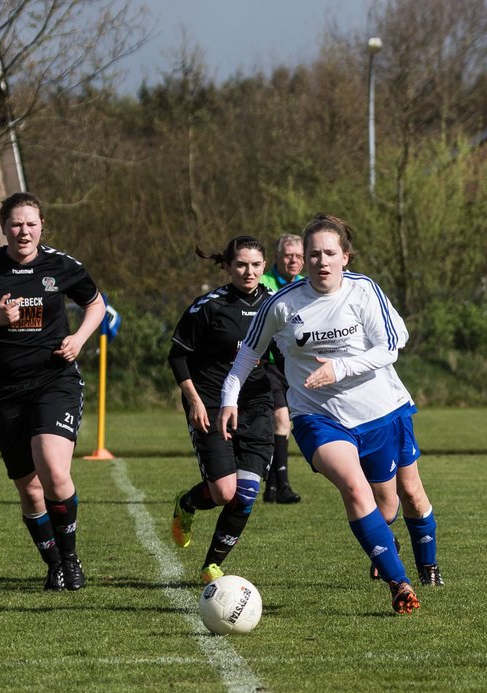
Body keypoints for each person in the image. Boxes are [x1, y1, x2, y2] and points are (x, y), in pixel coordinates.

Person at [220, 213, 441, 614]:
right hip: (317, 417)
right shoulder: (282, 305)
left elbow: (390, 347)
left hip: (379, 413)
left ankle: (423, 563)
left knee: (392, 500)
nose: (321, 262)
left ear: (345, 258)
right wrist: (228, 400)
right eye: (313, 254)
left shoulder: (363, 291)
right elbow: (246, 357)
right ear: (302, 260)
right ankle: (400, 584)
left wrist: (339, 367)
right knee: (355, 490)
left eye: (329, 253)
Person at [0, 192, 105, 592]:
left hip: (53, 380)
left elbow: (96, 304)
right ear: (4, 227)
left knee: (54, 471)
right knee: (29, 487)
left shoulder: (62, 266)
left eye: (31, 224)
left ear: (42, 226)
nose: (24, 231)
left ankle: (72, 560)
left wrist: (79, 338)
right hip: (4, 390)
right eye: (16, 224)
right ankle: (53, 562)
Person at [169, 236, 276, 584]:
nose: (249, 271)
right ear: (228, 266)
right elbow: (178, 355)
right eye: (241, 264)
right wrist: (194, 400)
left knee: (245, 493)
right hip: (211, 401)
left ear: (264, 267)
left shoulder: (275, 306)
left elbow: (288, 351)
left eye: (256, 265)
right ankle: (187, 503)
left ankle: (211, 565)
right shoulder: (209, 306)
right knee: (223, 493)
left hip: (256, 402)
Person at [256, 233, 305, 504]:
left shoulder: (305, 286)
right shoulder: (264, 283)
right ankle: (283, 485)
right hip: (268, 364)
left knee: (284, 426)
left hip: (294, 365)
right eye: (289, 255)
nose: (294, 261)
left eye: (299, 256)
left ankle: (272, 486)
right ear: (278, 257)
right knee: (282, 420)